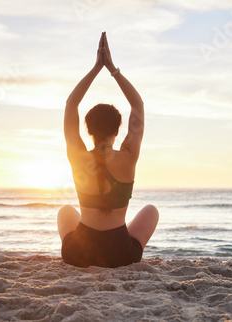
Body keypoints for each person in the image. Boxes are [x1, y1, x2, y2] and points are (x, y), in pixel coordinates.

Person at [57, 32, 159, 268]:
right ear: (117, 131)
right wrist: (112, 69)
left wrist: (95, 68)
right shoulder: (128, 156)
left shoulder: (78, 156)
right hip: (121, 255)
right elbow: (138, 105)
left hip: (79, 254)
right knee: (151, 210)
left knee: (65, 211)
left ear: (89, 130)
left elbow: (71, 104)